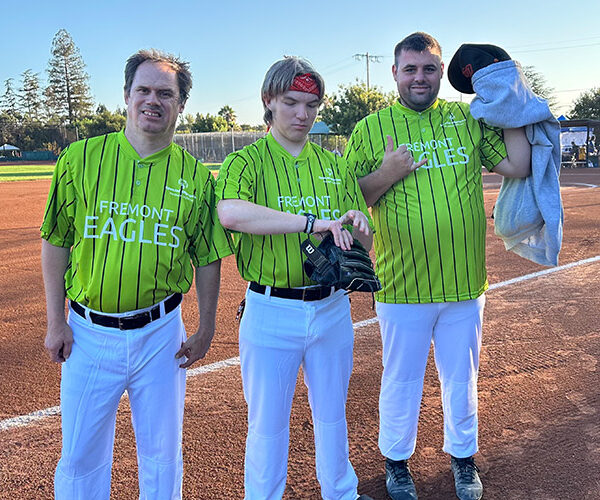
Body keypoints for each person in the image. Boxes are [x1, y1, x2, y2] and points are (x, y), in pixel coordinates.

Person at [344, 32, 531, 500]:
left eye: (429, 68)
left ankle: (463, 460)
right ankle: (397, 463)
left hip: (463, 282)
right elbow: (347, 201)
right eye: (410, 69)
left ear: (441, 71)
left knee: (462, 379)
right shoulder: (370, 128)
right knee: (401, 380)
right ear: (394, 73)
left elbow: (518, 164)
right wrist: (386, 173)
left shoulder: (466, 119)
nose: (420, 77)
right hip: (401, 285)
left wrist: (509, 103)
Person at [41, 49, 233, 499]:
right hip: (88, 332)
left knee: (163, 456)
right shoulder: (81, 158)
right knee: (80, 456)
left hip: (161, 333)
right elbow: (56, 240)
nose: (153, 100)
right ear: (126, 95)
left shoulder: (196, 177)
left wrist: (206, 327)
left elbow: (207, 256)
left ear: (180, 105)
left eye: (165, 93)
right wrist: (55, 320)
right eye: (143, 90)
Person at [215, 56, 374, 500]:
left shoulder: (334, 164)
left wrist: (359, 225)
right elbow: (230, 213)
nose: (302, 114)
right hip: (270, 308)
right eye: (291, 102)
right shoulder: (245, 162)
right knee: (267, 422)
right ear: (268, 101)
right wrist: (308, 222)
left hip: (331, 306)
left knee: (332, 414)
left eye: (311, 104)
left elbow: (362, 236)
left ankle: (341, 492)